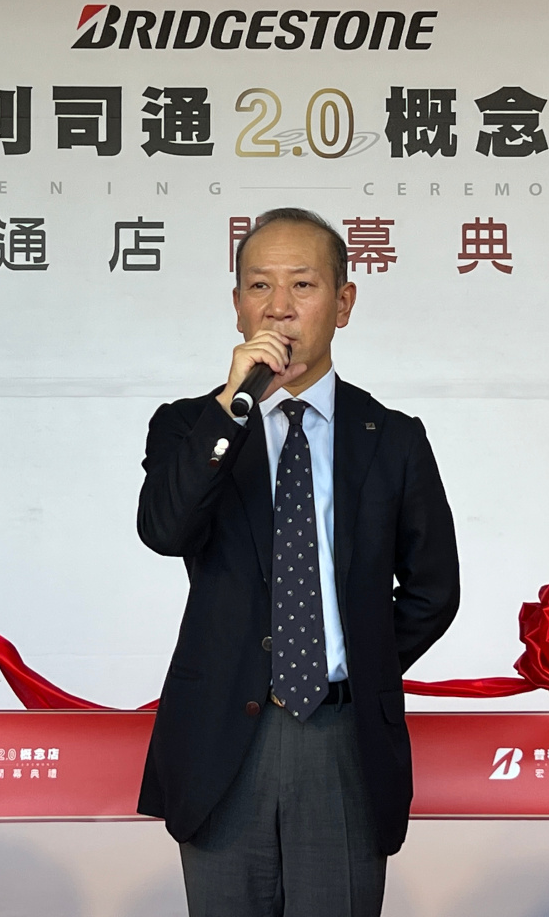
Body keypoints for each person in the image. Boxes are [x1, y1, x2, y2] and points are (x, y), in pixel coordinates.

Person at [136, 207, 460, 917]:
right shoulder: (191, 426)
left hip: (342, 738)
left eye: (303, 285)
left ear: (343, 303)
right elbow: (164, 529)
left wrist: (357, 661)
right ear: (237, 305)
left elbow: (433, 590)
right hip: (222, 738)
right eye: (260, 286)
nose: (279, 307)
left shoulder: (393, 438)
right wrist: (232, 406)